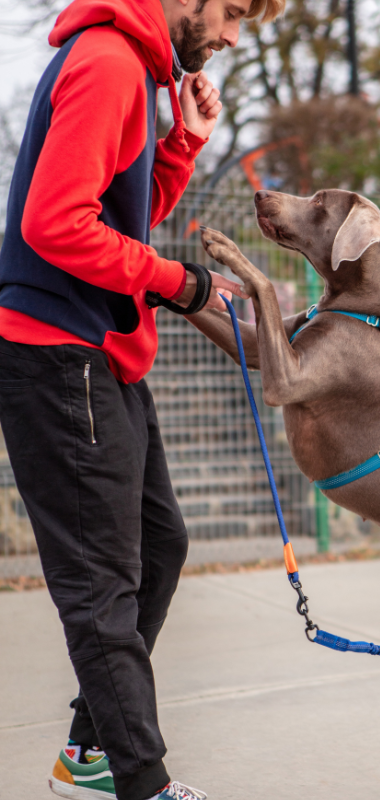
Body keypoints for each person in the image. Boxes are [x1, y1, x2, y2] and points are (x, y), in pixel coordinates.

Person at [0, 0, 284, 798]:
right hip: (55, 356)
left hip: (101, 356)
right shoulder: (108, 63)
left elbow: (122, 216)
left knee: (158, 550)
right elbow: (55, 224)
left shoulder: (132, 70)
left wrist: (183, 143)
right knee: (103, 589)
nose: (231, 37)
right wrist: (184, 285)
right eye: (232, 13)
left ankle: (88, 752)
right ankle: (143, 785)